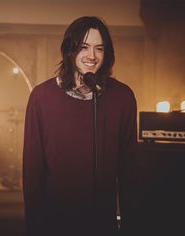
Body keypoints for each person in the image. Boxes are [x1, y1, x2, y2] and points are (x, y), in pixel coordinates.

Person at [23, 16, 137, 236]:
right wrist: (34, 227)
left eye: (99, 49)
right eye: (83, 47)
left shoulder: (122, 97)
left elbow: (129, 169)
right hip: (54, 222)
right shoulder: (42, 96)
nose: (92, 56)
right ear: (69, 50)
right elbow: (32, 171)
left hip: (102, 223)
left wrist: (131, 225)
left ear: (107, 54)